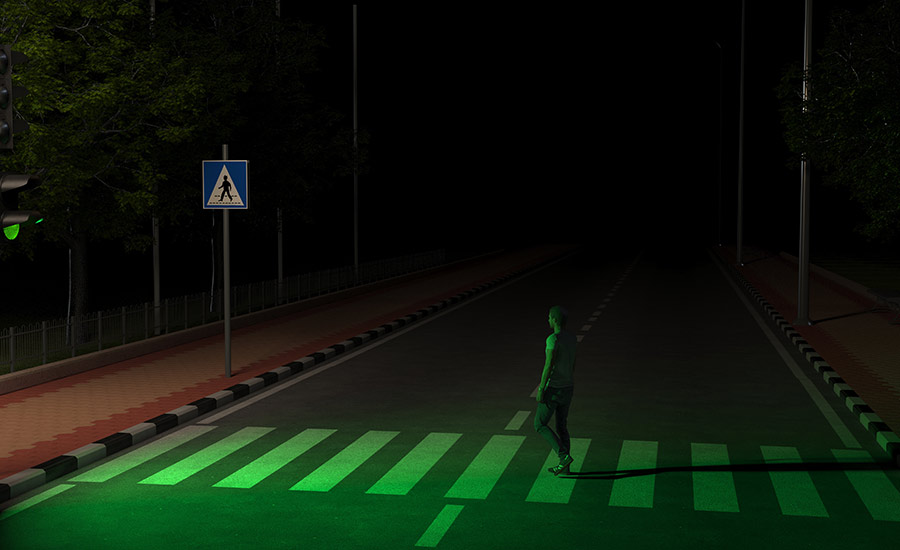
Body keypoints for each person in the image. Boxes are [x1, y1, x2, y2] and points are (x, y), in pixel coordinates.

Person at [535, 305, 576, 475]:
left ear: (555, 320)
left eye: (550, 317)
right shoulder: (572, 338)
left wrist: (541, 388)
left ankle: (563, 456)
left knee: (539, 424)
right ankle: (566, 469)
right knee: (562, 426)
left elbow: (548, 364)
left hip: (554, 388)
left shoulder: (553, 339)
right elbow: (573, 363)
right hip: (568, 387)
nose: (548, 320)